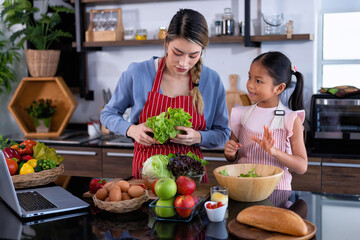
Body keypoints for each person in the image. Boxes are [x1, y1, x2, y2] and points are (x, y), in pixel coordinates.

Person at [100, 9, 230, 182]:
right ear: (167, 41)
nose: (184, 63)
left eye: (193, 56)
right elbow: (107, 114)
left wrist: (199, 137)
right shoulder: (138, 72)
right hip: (149, 175)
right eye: (177, 52)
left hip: (191, 178)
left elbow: (223, 133)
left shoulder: (211, 80)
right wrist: (132, 130)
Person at [224, 51, 308, 190]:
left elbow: (301, 166)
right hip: (244, 191)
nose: (250, 85)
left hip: (277, 194)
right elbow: (233, 156)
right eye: (249, 77)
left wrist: (274, 151)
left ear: (279, 88)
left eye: (258, 81)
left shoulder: (290, 119)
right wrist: (230, 153)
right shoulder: (241, 114)